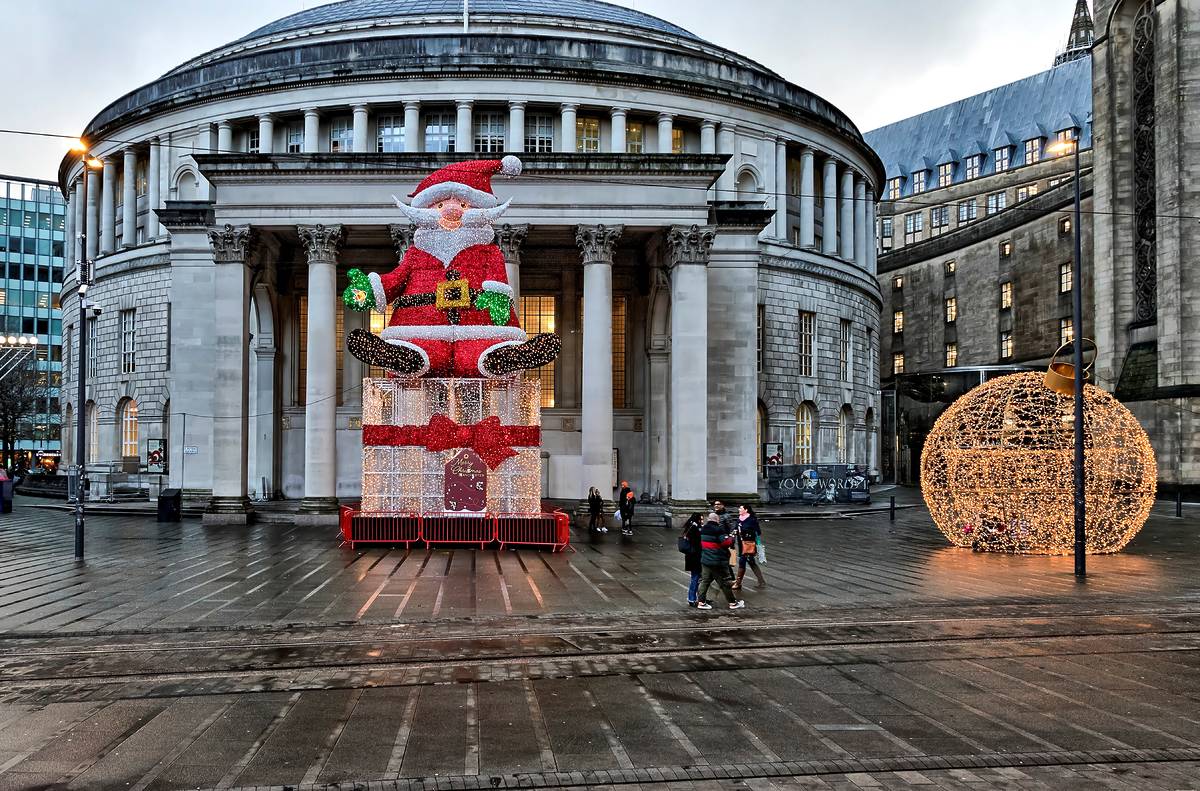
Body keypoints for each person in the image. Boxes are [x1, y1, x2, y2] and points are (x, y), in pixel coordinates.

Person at [696, 513, 744, 610]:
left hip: (705, 559)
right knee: (725, 582)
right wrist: (731, 538)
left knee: (704, 581)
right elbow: (726, 543)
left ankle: (701, 602)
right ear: (717, 520)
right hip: (718, 560)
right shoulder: (718, 529)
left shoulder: (703, 529)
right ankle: (733, 603)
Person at [733, 504, 766, 590]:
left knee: (742, 562)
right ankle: (761, 581)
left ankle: (738, 583)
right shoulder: (739, 519)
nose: (739, 509)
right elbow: (735, 528)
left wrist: (746, 532)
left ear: (746, 510)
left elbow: (758, 532)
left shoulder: (752, 520)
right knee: (751, 562)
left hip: (749, 544)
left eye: (740, 508)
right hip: (741, 544)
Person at [681, 513, 705, 607]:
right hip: (695, 557)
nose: (702, 522)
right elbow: (698, 543)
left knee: (696, 578)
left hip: (691, 557)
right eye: (701, 519)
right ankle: (692, 598)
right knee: (695, 578)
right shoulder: (695, 529)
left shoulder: (690, 527)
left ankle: (696, 598)